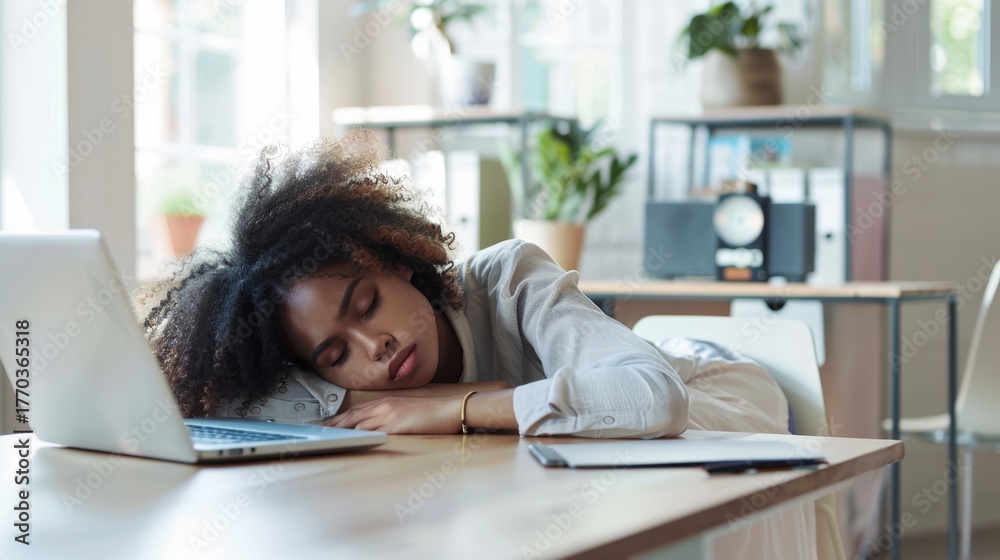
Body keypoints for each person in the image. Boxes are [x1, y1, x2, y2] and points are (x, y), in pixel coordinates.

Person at [134, 130, 814, 559]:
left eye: (365, 303)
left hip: (715, 393)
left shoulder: (509, 278)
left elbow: (652, 400)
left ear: (393, 260)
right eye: (336, 354)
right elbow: (225, 416)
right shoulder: (340, 387)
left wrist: (460, 405)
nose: (374, 346)